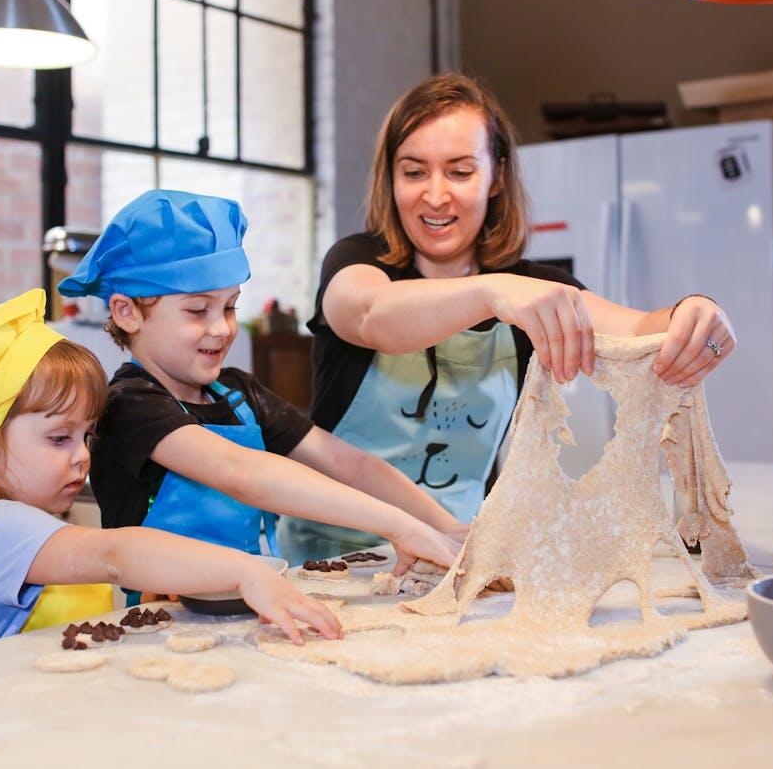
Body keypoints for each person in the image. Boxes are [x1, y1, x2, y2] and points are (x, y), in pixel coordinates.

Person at [279, 73, 737, 561]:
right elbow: (371, 316)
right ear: (390, 179)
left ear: (496, 176)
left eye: (460, 172)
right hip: (328, 562)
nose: (435, 196)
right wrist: (493, 292)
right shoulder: (357, 263)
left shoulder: (530, 288)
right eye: (414, 172)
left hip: (453, 550)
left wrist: (695, 313)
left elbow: (643, 329)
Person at [58, 190, 462, 604]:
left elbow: (350, 464)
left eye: (230, 307)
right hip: (163, 617)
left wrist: (445, 529)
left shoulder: (238, 393)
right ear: (127, 312)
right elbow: (242, 473)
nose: (222, 329)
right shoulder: (129, 405)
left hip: (254, 601)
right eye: (198, 311)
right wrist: (396, 525)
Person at [0, 289, 341, 651]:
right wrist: (246, 572)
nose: (82, 456)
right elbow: (115, 554)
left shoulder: (31, 521)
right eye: (59, 438)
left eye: (87, 436)